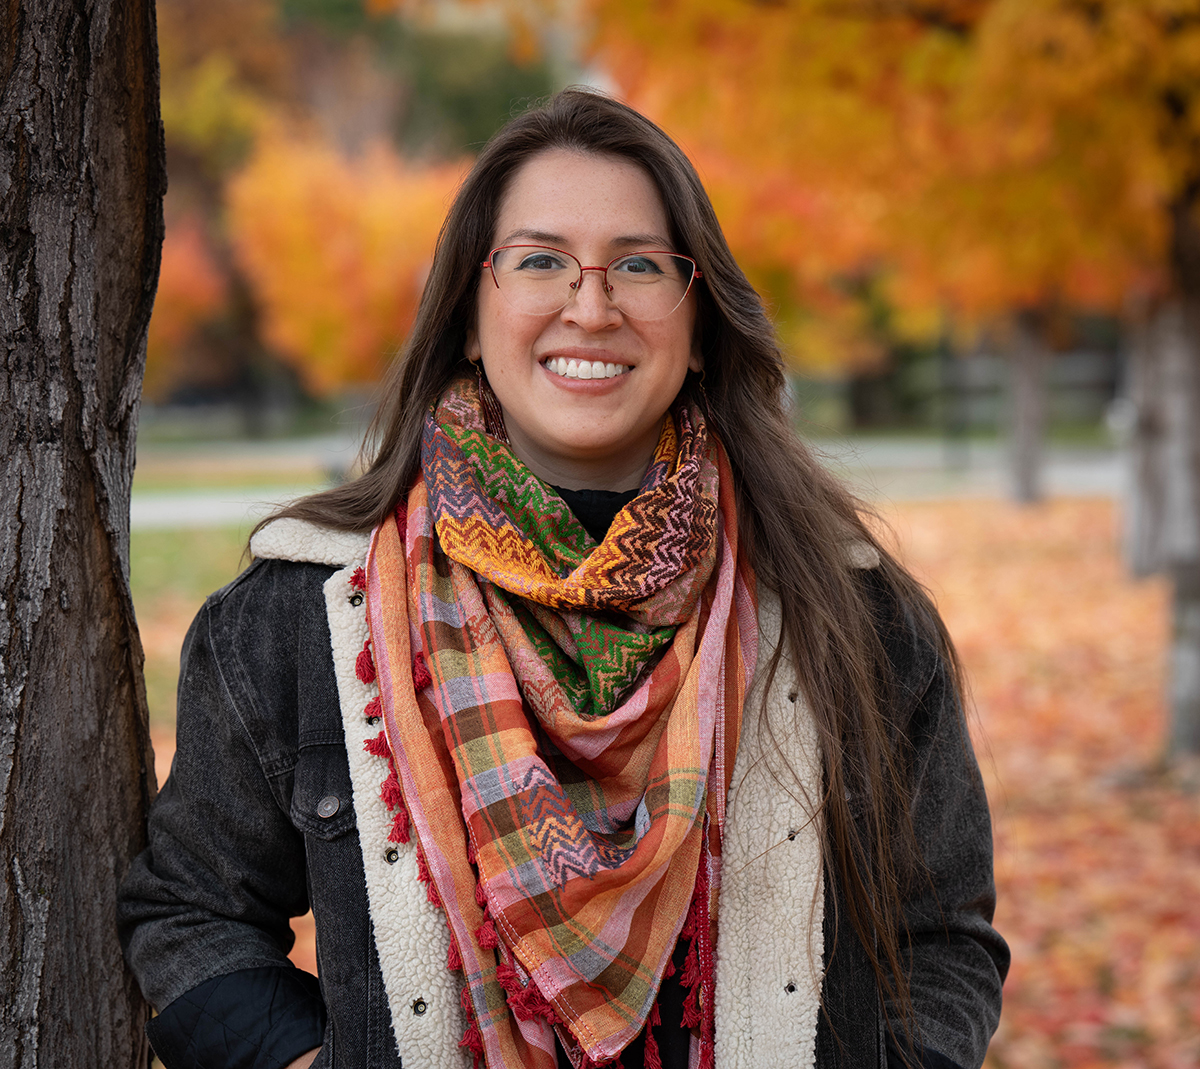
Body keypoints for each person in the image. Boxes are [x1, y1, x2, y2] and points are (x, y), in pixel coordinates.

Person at [118, 88, 1008, 1069]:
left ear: (701, 320)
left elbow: (942, 936)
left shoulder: (856, 620)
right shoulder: (297, 621)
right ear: (469, 311)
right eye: (541, 260)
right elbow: (189, 909)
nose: (591, 305)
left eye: (637, 264)